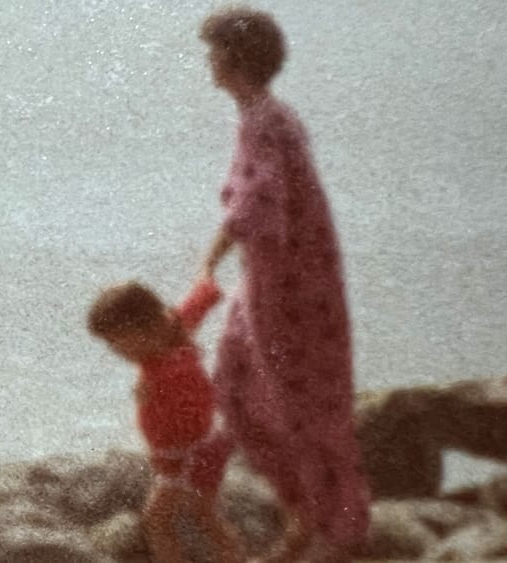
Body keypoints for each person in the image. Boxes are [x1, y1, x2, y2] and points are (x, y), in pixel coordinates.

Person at [199, 7, 370, 562]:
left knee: (299, 402)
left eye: (214, 51)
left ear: (234, 58)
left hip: (289, 287)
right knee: (237, 387)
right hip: (274, 280)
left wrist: (216, 254)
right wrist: (220, 257)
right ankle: (307, 517)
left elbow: (262, 203)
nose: (208, 61)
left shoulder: (268, 120)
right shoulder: (261, 116)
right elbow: (259, 204)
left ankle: (334, 531)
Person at [88, 278, 243, 563]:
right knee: (204, 513)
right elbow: (193, 307)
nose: (117, 352)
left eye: (117, 341)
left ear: (143, 329)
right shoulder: (174, 331)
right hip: (203, 449)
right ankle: (232, 556)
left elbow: (192, 408)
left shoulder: (166, 371)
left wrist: (152, 399)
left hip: (182, 458)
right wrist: (206, 285)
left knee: (158, 520)